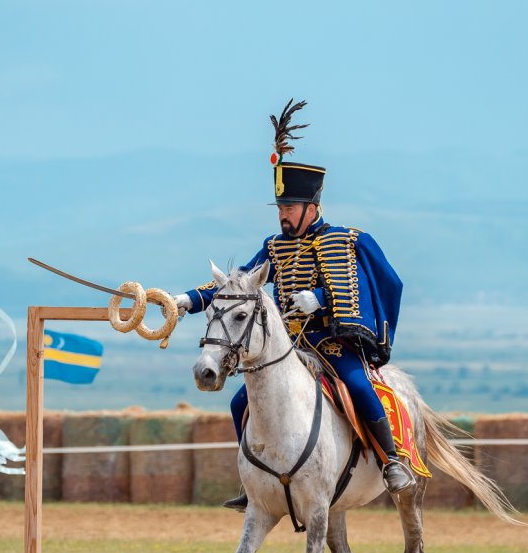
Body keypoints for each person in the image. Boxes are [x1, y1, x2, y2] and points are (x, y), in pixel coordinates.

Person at [174, 99, 413, 508]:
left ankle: (392, 461)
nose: (282, 215)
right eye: (281, 207)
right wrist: (188, 300)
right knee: (239, 400)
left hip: (333, 343)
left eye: (289, 207)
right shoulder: (274, 247)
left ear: (311, 207)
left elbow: (367, 285)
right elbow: (239, 285)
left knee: (357, 385)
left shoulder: (343, 240)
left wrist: (319, 299)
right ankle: (255, 484)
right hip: (290, 347)